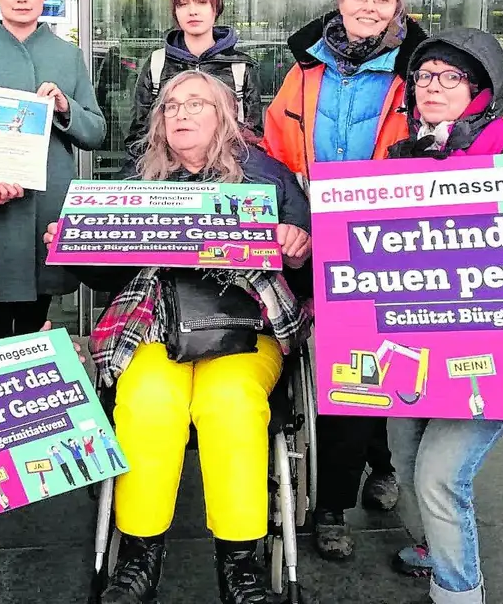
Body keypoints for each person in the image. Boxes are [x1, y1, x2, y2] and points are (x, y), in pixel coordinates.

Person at [47, 70, 313, 604]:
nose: (182, 115)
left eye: (197, 105)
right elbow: (106, 278)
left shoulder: (269, 177)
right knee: (147, 399)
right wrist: (77, 247)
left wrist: (297, 246)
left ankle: (240, 559)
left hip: (244, 323)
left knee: (230, 402)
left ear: (225, 117)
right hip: (152, 321)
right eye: (171, 106)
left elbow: (311, 276)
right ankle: (140, 553)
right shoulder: (134, 184)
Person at [379, 27, 503, 604]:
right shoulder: (402, 155)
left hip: (494, 355)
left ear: (480, 89)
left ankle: (457, 590)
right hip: (418, 346)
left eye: (448, 77)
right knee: (406, 464)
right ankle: (439, 544)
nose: (432, 86)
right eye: (423, 76)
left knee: (439, 475)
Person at [260, 0, 427, 558]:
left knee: (390, 362)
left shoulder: (417, 75)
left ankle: (381, 464)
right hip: (317, 238)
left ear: (398, 8)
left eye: (383, 0)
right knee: (343, 371)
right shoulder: (303, 73)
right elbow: (274, 155)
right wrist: (291, 222)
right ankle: (332, 505)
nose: (369, 8)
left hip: (389, 243)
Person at [0, 0, 106, 338]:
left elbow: (96, 132)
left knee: (33, 325)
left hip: (46, 207)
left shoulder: (68, 55)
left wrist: (65, 108)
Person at [123, 0, 262, 150]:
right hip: (167, 172)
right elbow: (139, 136)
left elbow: (254, 137)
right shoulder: (157, 64)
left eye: (201, 2)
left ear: (216, 8)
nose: (192, 11)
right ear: (175, 11)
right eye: (183, 4)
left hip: (229, 172)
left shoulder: (241, 67)